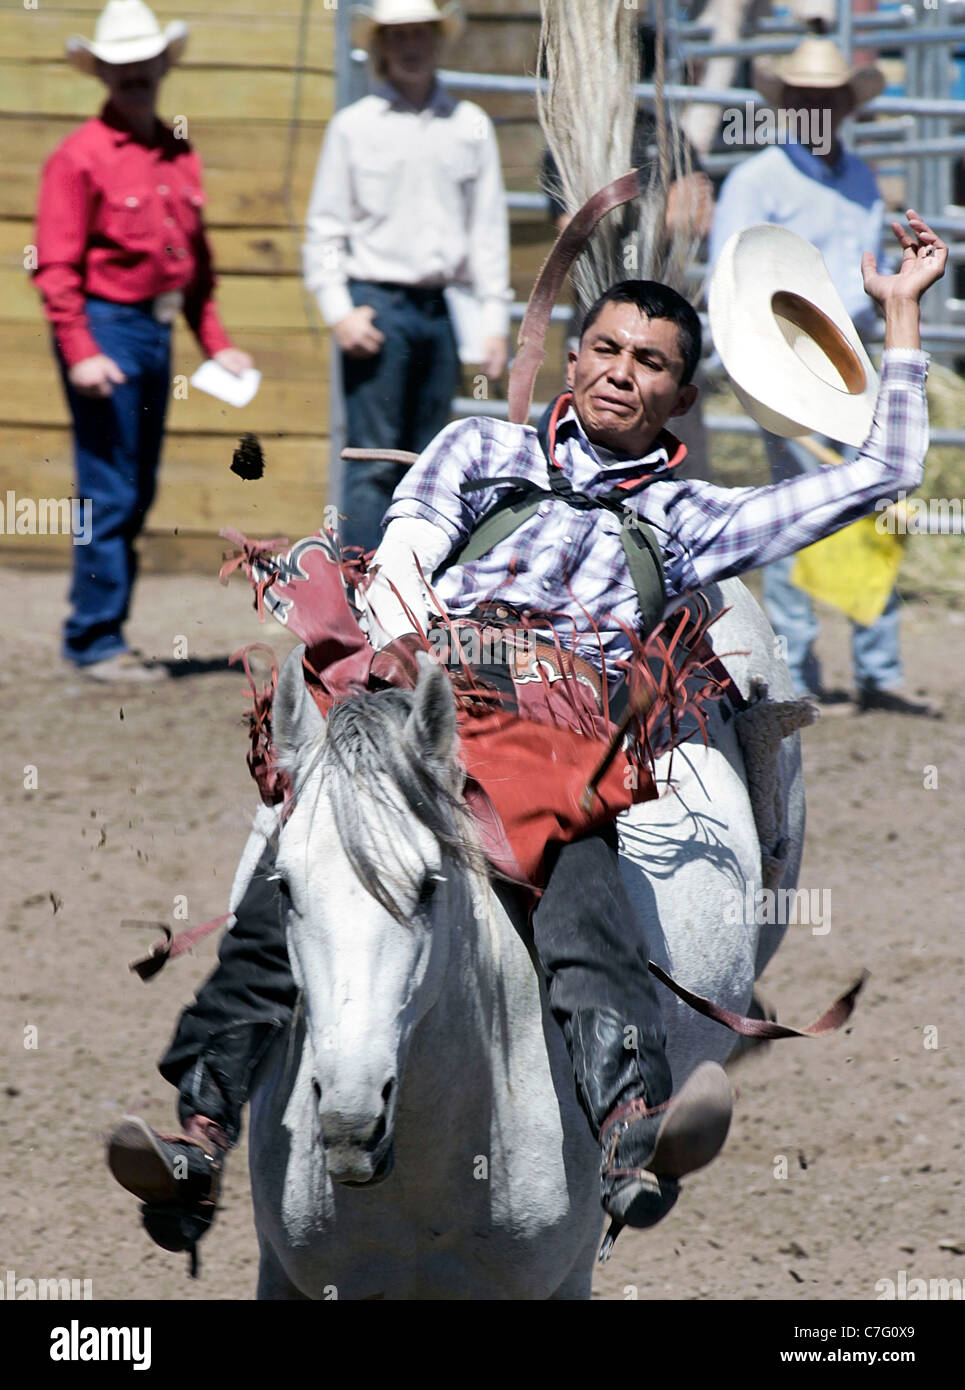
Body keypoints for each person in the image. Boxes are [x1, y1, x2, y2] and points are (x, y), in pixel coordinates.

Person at [107, 212, 945, 1267]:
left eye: (648, 364)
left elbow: (880, 473)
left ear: (681, 398)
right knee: (308, 866)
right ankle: (201, 1126)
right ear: (571, 356)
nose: (616, 375)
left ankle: (627, 1122)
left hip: (560, 726)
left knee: (584, 871)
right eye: (602, 350)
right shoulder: (479, 446)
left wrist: (902, 319)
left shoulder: (694, 518)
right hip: (424, 687)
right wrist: (403, 675)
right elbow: (409, 537)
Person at [709, 36, 935, 716]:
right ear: (788, 104)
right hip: (786, 368)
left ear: (841, 104)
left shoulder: (858, 178)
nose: (817, 108)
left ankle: (875, 666)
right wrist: (760, 370)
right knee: (795, 515)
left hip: (854, 365)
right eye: (806, 98)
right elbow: (733, 277)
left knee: (872, 512)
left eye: (827, 98)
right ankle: (796, 673)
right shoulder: (756, 181)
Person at [33, 0, 254, 683]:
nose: (134, 75)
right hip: (105, 328)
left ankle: (100, 630)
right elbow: (56, 265)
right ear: (101, 71)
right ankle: (94, 638)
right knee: (110, 487)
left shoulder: (177, 152)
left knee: (136, 485)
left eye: (143, 63)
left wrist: (214, 343)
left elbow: (196, 267)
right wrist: (81, 351)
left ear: (162, 65)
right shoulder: (79, 158)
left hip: (153, 332)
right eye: (120, 66)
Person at [303, 0, 512, 555]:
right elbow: (325, 229)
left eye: (422, 33)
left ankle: (417, 592)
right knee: (372, 459)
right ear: (381, 48)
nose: (412, 46)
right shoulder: (354, 128)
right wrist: (339, 310)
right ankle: (358, 594)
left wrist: (492, 323)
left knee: (431, 461)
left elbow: (487, 231)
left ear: (438, 40)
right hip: (376, 303)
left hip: (439, 309)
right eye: (399, 36)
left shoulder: (469, 126)